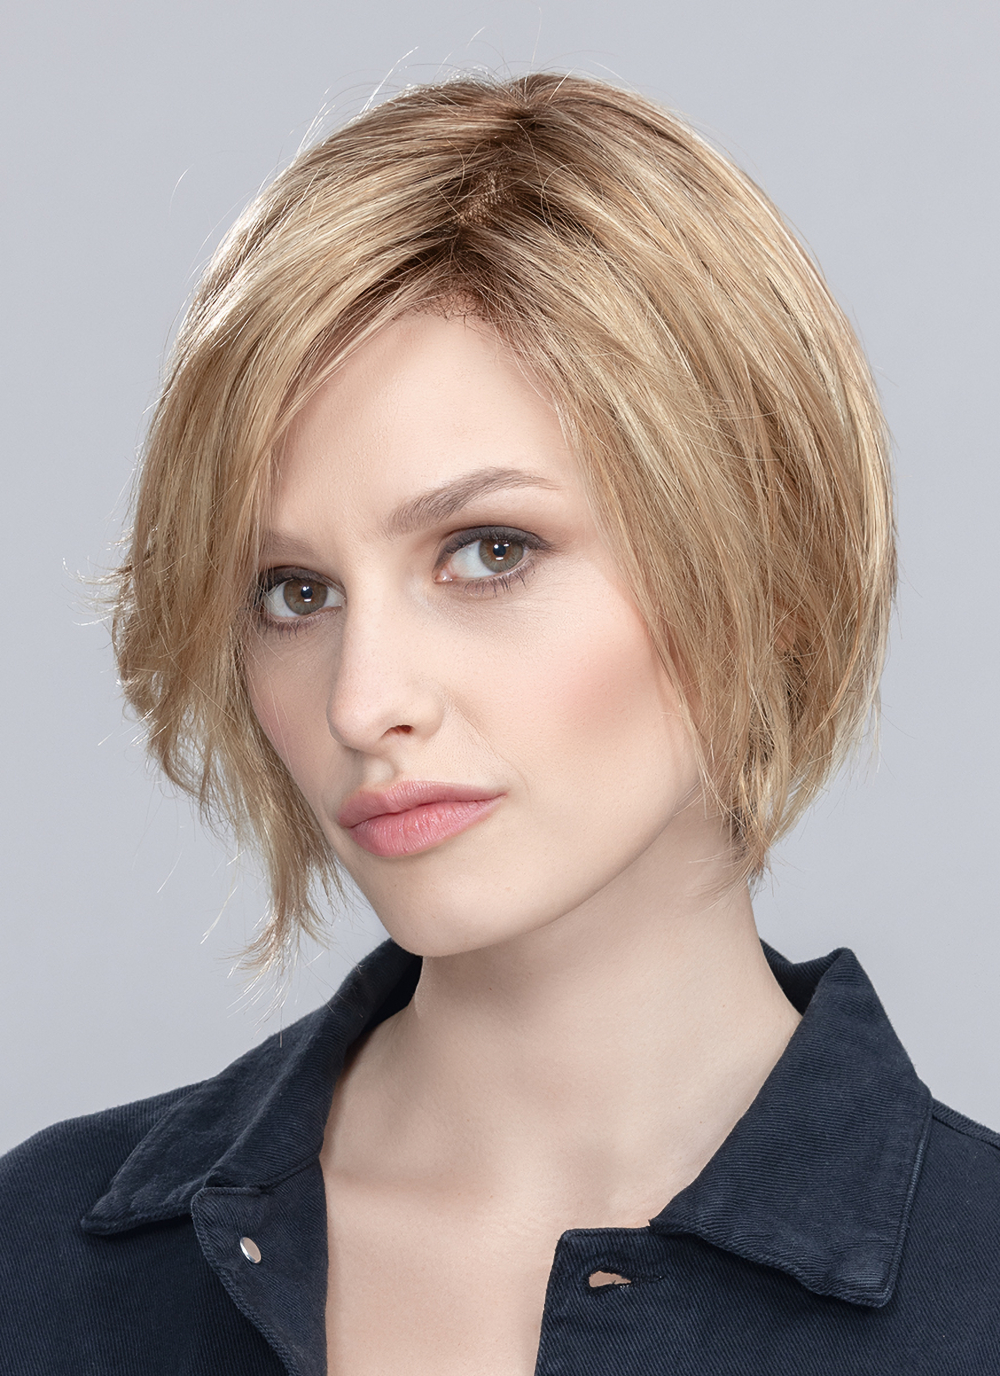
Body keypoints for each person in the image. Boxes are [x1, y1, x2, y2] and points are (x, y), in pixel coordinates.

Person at [1, 71, 997, 1376]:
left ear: (769, 582)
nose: (363, 701)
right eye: (293, 592)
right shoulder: (37, 1266)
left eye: (489, 551)